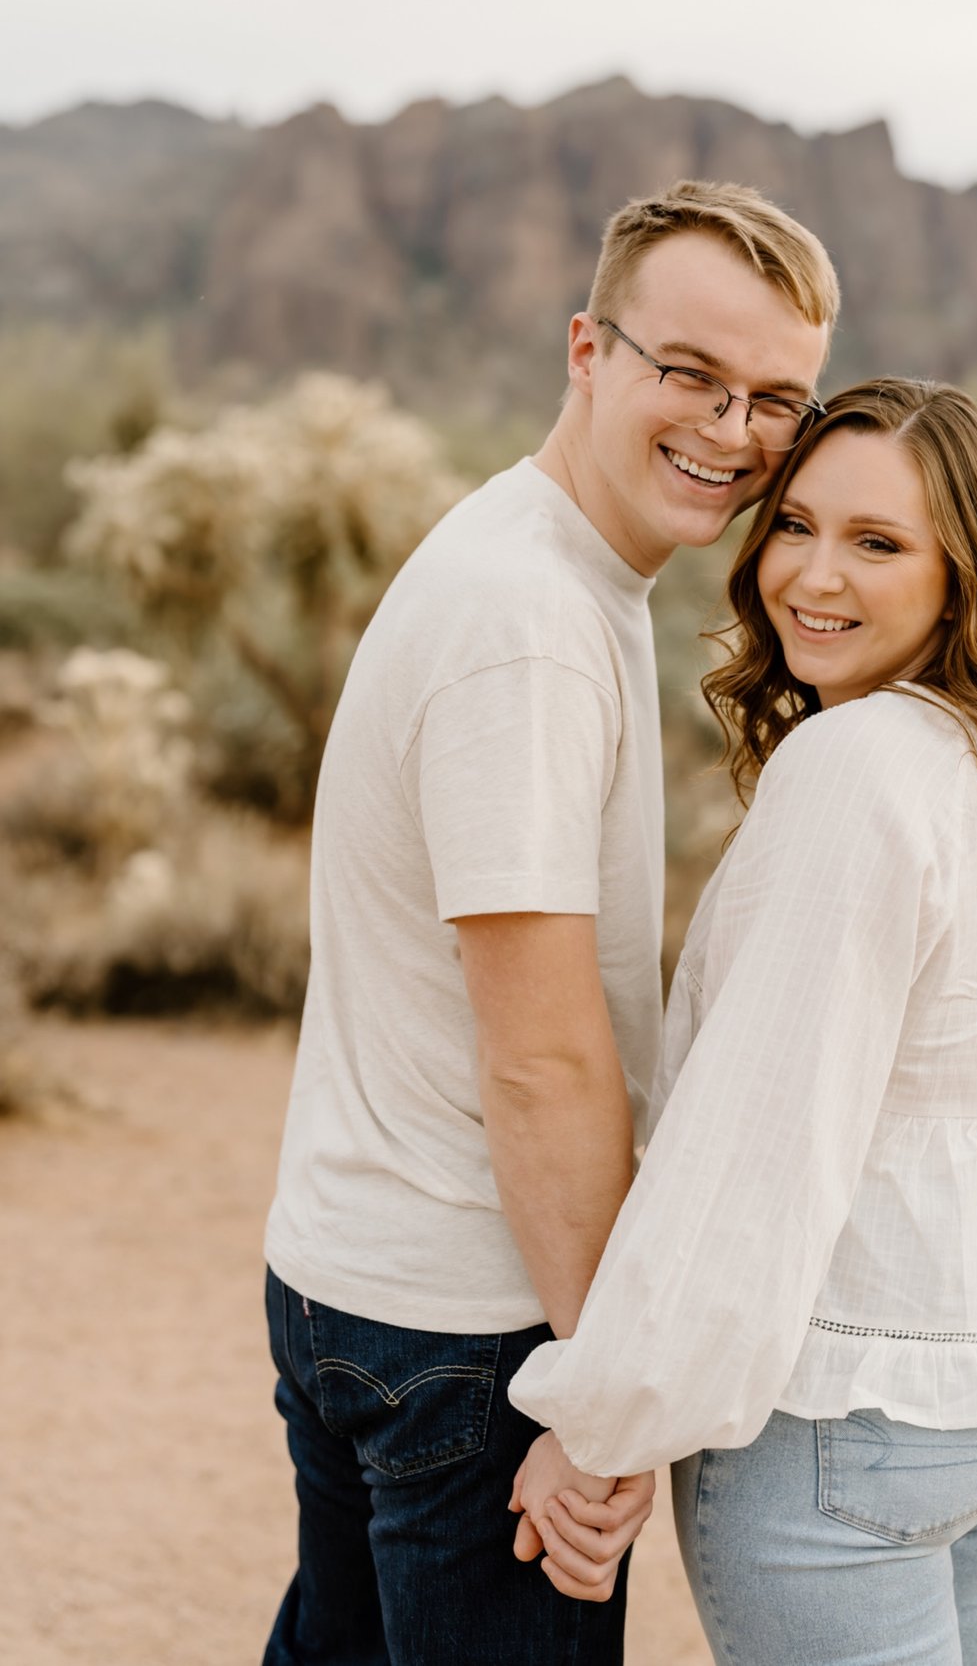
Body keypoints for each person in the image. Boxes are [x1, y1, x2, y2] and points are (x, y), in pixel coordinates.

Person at [259, 180, 838, 1662]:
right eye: (690, 375)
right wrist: (602, 1390)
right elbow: (543, 1062)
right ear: (587, 348)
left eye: (776, 397)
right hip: (467, 1336)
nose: (731, 430)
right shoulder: (526, 623)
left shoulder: (550, 564)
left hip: (359, 1280)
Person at [502, 379, 977, 1664]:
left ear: (963, 578)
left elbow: (759, 1143)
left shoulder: (853, 767)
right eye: (794, 524)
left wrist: (605, 1417)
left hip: (849, 1417)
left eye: (879, 542)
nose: (812, 575)